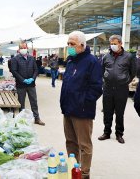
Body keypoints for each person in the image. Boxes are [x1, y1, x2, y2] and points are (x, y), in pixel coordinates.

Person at [60, 31, 102, 179]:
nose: (69, 47)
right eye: (68, 44)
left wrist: (82, 101)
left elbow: (97, 88)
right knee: (70, 142)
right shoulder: (71, 60)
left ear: (82, 45)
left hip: (82, 110)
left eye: (72, 44)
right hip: (68, 108)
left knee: (84, 145)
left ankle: (84, 173)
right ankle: (74, 168)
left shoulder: (92, 62)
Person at [98, 35, 136, 144]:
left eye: (115, 43)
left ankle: (119, 134)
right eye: (111, 44)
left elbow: (133, 72)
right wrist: (105, 80)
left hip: (121, 89)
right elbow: (102, 70)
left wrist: (125, 81)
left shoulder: (129, 56)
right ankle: (106, 132)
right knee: (107, 112)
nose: (113, 45)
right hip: (108, 88)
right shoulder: (106, 56)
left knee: (119, 113)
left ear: (120, 44)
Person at [11, 41, 45, 126]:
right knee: (21, 103)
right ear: (19, 49)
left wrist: (32, 78)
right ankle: (21, 120)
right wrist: (22, 80)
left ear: (27, 48)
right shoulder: (15, 59)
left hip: (31, 84)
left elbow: (36, 70)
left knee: (34, 101)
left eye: (24, 47)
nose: (23, 49)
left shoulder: (31, 58)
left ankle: (37, 118)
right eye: (21, 48)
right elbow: (14, 71)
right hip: (21, 85)